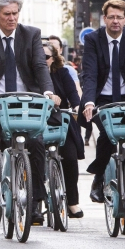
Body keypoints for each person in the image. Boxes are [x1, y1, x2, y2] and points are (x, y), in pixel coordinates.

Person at [0, 0, 60, 225]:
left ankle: (36, 204)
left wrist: (48, 92)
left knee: (37, 143)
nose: (12, 18)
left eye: (15, 13)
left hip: (27, 99)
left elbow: (40, 66)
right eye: (7, 14)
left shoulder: (31, 34)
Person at [79, 0, 125, 203]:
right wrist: (88, 101)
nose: (116, 21)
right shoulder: (93, 40)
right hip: (101, 98)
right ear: (104, 18)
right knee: (107, 133)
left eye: (120, 17)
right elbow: (89, 73)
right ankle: (99, 178)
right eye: (112, 17)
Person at [43, 43, 84, 218]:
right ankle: (34, 199)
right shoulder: (29, 73)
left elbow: (73, 94)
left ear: (53, 59)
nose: (42, 61)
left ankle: (72, 202)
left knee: (70, 157)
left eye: (45, 57)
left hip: (61, 120)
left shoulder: (62, 72)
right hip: (37, 121)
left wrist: (76, 107)